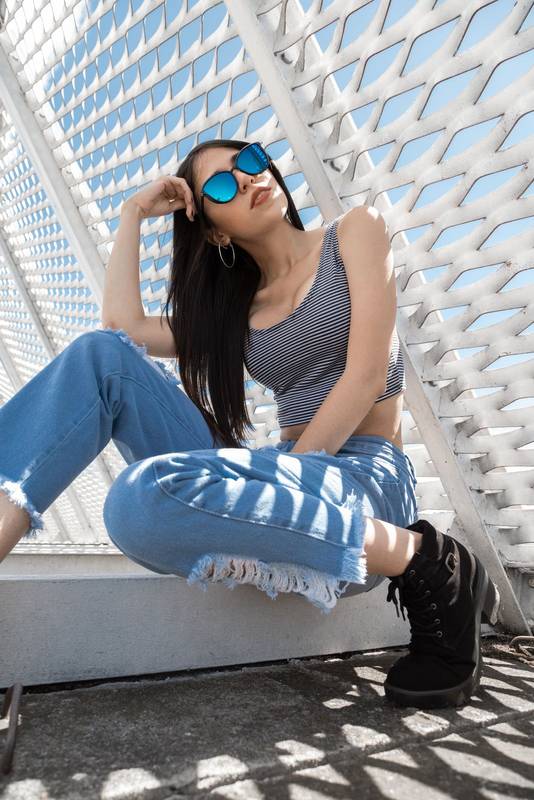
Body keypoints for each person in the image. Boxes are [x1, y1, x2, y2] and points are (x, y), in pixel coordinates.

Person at [0, 138, 499, 709]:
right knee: (99, 357)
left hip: (362, 477)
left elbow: (366, 376)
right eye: (220, 185)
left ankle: (429, 561)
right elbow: (122, 328)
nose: (245, 179)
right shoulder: (238, 312)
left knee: (136, 499)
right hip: (283, 471)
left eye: (250, 162)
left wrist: (284, 478)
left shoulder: (354, 232)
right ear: (216, 233)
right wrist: (132, 212)